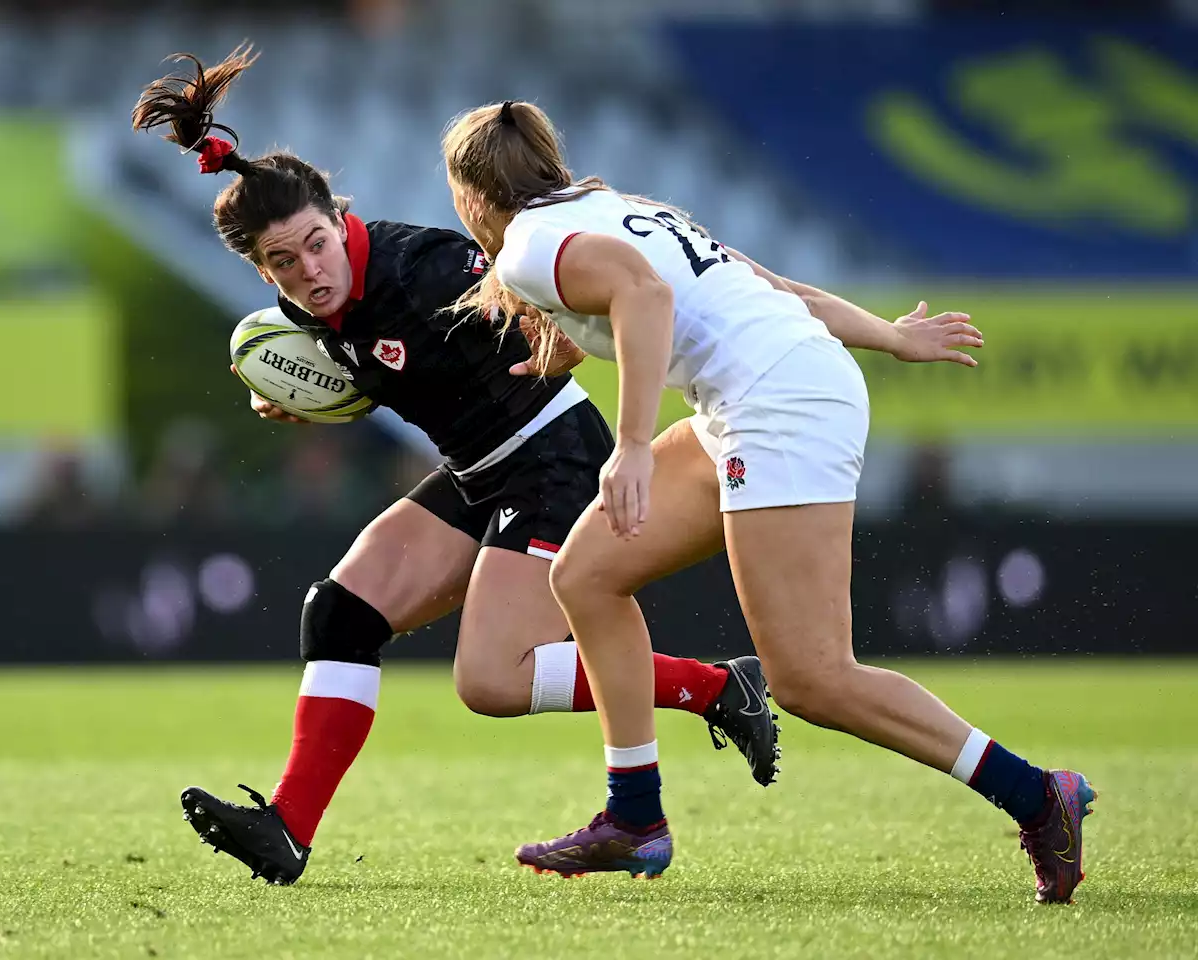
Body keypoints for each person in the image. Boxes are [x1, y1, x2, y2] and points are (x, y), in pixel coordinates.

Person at [130, 48, 781, 886]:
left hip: (552, 458)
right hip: (480, 470)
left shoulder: (423, 265)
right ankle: (287, 829)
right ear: (259, 271)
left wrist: (551, 338)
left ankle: (713, 688)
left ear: (339, 217)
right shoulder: (316, 310)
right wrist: (323, 396)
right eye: (280, 264)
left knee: (491, 681)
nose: (309, 272)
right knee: (340, 614)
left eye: (316, 245)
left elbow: (549, 303)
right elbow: (401, 364)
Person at [441, 100, 1095, 903]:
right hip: (761, 393)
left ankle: (1037, 795)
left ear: (470, 195)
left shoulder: (526, 249)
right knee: (585, 577)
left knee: (814, 679)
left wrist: (635, 444)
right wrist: (888, 336)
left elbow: (643, 298)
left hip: (778, 406)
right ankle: (635, 816)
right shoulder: (617, 207)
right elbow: (770, 287)